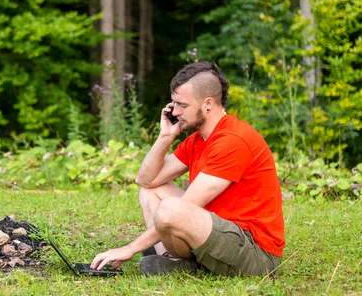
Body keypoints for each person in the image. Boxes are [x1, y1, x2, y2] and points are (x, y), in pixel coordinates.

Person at [90, 61, 285, 276]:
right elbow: (146, 180)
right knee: (151, 192)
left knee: (171, 208)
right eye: (173, 103)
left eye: (182, 104)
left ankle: (184, 263)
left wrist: (128, 249)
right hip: (221, 234)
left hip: (255, 254)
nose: (174, 111)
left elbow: (183, 208)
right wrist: (165, 136)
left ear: (208, 104)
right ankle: (172, 260)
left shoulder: (232, 140)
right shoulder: (197, 140)